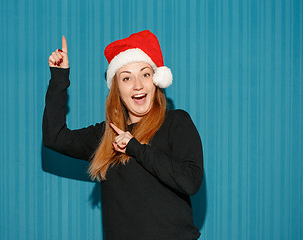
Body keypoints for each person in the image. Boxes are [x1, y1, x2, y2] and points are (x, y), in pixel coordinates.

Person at [43, 30, 204, 240]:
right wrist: (58, 78)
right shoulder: (107, 134)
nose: (138, 85)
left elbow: (190, 182)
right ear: (117, 88)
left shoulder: (176, 122)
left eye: (145, 74)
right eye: (127, 78)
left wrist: (135, 148)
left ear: (156, 80)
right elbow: (54, 138)